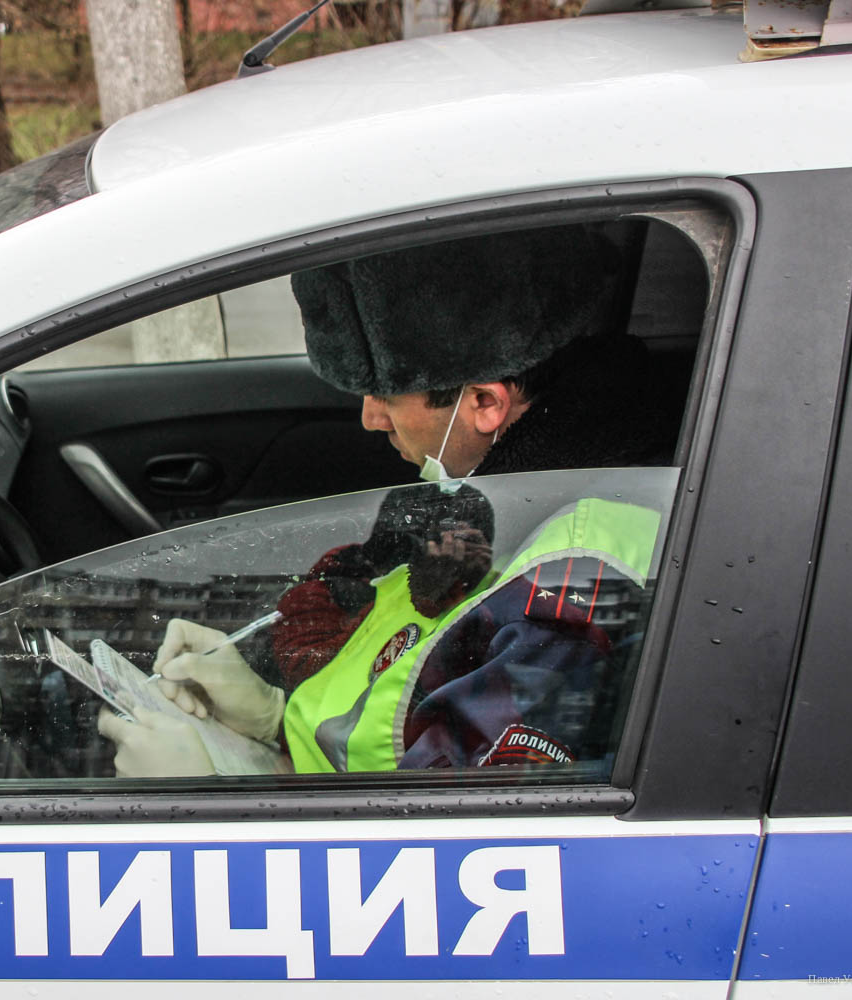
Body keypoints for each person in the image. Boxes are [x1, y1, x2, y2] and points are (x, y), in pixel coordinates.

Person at [99, 223, 678, 777]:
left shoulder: (570, 582)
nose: (370, 418)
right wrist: (272, 717)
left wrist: (218, 799)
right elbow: (395, 717)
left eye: (387, 394)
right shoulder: (477, 506)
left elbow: (464, 839)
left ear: (484, 403)